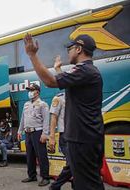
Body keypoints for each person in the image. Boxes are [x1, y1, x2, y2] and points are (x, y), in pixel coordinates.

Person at [24, 33, 104, 190]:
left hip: (82, 138)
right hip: (84, 137)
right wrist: (58, 69)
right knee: (86, 180)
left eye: (70, 48)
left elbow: (50, 81)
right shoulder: (87, 72)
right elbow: (66, 83)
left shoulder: (85, 71)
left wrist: (32, 55)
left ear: (79, 49)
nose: (68, 52)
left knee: (87, 185)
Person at [17, 83, 50, 187]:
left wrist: (45, 134)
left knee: (41, 155)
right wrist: (19, 131)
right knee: (29, 155)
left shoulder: (43, 104)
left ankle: (45, 177)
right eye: (29, 90)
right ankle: (32, 175)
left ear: (37, 92)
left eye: (32, 90)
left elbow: (46, 120)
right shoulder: (26, 104)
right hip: (27, 133)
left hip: (38, 132)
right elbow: (23, 119)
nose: (30, 92)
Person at [49, 92, 73, 190]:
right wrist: (52, 136)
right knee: (73, 163)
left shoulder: (77, 96)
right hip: (65, 135)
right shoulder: (59, 98)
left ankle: (74, 184)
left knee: (72, 163)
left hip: (77, 134)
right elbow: (54, 118)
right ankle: (55, 186)